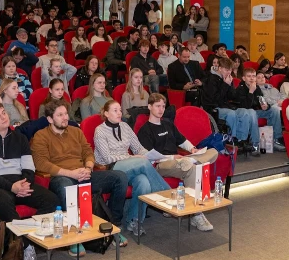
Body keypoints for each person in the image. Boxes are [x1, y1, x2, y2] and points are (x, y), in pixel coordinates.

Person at [31, 99, 129, 256]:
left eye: (66, 114)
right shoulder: (41, 136)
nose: (65, 118)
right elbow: (41, 164)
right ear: (49, 119)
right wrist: (71, 173)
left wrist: (88, 168)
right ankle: (73, 238)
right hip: (62, 177)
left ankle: (112, 227)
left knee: (120, 178)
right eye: (60, 115)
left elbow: (88, 152)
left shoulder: (75, 131)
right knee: (66, 187)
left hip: (83, 173)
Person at [0, 100, 60, 260]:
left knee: (51, 200)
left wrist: (25, 184)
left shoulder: (20, 138)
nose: (3, 117)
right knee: (4, 203)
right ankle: (26, 247)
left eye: (4, 113)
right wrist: (12, 187)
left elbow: (29, 168)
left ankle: (29, 240)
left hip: (20, 182)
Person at [137, 93, 219, 230]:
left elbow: (182, 140)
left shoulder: (168, 124)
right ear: (149, 107)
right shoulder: (145, 130)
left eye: (163, 106)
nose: (161, 109)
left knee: (213, 152)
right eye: (157, 106)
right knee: (189, 166)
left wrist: (192, 149)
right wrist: (172, 157)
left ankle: (195, 211)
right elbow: (149, 157)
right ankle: (196, 214)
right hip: (161, 164)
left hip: (180, 162)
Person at [93, 100, 170, 235]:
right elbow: (107, 158)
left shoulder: (125, 126)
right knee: (143, 163)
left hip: (129, 166)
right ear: (106, 113)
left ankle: (134, 220)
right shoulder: (100, 131)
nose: (119, 113)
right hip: (111, 169)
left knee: (144, 182)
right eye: (115, 110)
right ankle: (167, 196)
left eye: (120, 110)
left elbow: (138, 148)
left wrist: (150, 155)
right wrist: (131, 158)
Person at [202, 57, 257, 155]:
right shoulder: (211, 79)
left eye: (230, 70)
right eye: (226, 70)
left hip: (226, 106)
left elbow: (233, 97)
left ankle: (242, 140)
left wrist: (230, 85)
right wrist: (225, 85)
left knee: (244, 112)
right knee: (231, 113)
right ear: (220, 68)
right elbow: (215, 100)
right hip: (214, 107)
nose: (229, 72)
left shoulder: (227, 79)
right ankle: (233, 139)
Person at [233, 68, 286, 152]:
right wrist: (251, 92)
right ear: (243, 78)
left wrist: (266, 106)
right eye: (249, 76)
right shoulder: (240, 89)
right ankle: (255, 142)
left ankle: (276, 139)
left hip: (256, 111)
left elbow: (261, 101)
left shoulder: (257, 88)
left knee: (274, 110)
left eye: (253, 76)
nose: (251, 78)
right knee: (252, 112)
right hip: (245, 113)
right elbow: (245, 107)